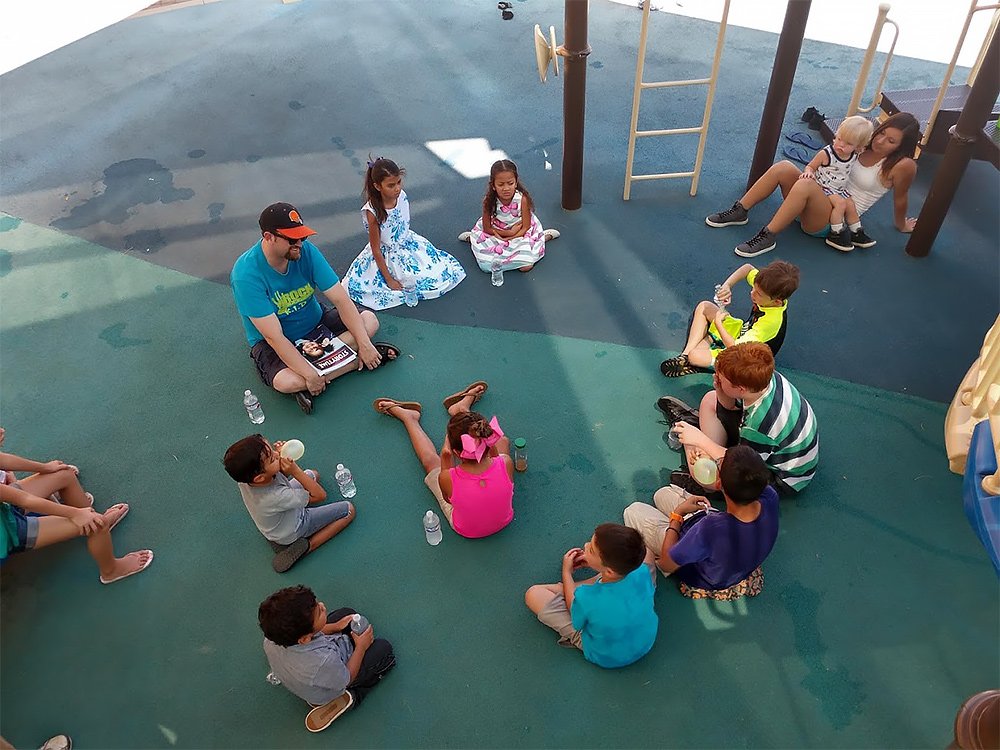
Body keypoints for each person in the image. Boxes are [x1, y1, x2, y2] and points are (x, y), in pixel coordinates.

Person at [230, 202, 398, 415]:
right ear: (268, 237)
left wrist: (364, 344)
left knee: (369, 321)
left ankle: (326, 373)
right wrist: (309, 375)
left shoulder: (306, 251)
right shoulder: (246, 274)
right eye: (292, 239)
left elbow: (341, 300)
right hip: (275, 342)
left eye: (303, 237)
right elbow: (274, 337)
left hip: (316, 323)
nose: (299, 244)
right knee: (286, 382)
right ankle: (352, 361)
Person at [705, 112, 922, 258]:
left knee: (806, 185)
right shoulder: (860, 144)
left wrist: (902, 224)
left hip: (833, 219)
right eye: (882, 133)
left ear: (902, 147)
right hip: (814, 200)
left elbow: (901, 197)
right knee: (784, 167)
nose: (881, 141)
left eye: (891, 141)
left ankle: (768, 236)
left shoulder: (902, 166)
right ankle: (740, 211)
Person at [660, 342, 819, 495]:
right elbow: (732, 406)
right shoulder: (762, 379)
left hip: (776, 479)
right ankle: (702, 444)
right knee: (711, 398)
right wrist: (722, 391)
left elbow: (743, 465)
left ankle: (708, 486)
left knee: (700, 467)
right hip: (766, 449)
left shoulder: (761, 423)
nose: (717, 378)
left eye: (722, 379)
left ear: (741, 389)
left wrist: (699, 440)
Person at [624, 445, 779, 599]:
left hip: (698, 571)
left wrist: (677, 515)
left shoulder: (711, 528)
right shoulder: (769, 495)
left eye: (718, 463)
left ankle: (670, 522)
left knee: (633, 511)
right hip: (727, 557)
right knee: (661, 494)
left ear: (718, 484)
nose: (716, 461)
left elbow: (666, 564)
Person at [0, 430, 153, 584]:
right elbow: (24, 499)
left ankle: (90, 521)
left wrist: (46, 468)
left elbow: (3, 460)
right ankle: (111, 571)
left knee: (64, 474)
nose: (1, 431)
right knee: (97, 523)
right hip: (7, 532)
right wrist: (75, 514)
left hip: (5, 506)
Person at [373, 381, 515, 538]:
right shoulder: (506, 463)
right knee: (503, 441)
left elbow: (449, 501)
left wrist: (445, 456)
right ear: (488, 438)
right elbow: (495, 458)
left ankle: (409, 418)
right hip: (504, 521)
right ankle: (460, 410)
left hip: (468, 531)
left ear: (455, 451)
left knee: (430, 462)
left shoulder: (448, 477)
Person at [258, 585, 395, 733]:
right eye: (319, 612)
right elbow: (347, 677)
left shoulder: (270, 640)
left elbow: (311, 635)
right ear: (305, 639)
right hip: (333, 679)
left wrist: (335, 626)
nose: (322, 606)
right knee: (383, 649)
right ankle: (353, 696)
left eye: (317, 604)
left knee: (347, 613)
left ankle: (330, 631)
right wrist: (361, 647)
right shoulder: (322, 662)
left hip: (305, 671)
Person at [524, 523, 658, 668]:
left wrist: (566, 573)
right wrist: (597, 564)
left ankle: (585, 583)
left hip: (606, 655)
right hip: (645, 640)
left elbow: (574, 614)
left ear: (610, 572)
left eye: (592, 550)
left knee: (533, 594)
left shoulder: (586, 598)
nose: (586, 545)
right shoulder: (642, 571)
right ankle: (599, 579)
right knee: (648, 553)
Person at [343, 157, 465, 310]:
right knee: (409, 281)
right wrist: (389, 280)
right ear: (377, 186)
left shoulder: (402, 196)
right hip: (387, 254)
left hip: (407, 243)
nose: (397, 189)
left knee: (437, 273)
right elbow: (376, 249)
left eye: (399, 182)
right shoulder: (372, 212)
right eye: (391, 185)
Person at [222, 434, 354, 573]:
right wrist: (295, 471)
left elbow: (277, 479)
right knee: (348, 510)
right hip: (295, 527)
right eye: (272, 458)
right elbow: (320, 496)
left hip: (277, 523)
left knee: (313, 474)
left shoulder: (244, 480)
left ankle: (281, 539)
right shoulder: (276, 496)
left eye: (272, 450)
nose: (277, 455)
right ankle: (307, 546)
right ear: (259, 477)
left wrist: (278, 457)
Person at [661, 260, 799, 376]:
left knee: (696, 356)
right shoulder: (767, 287)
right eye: (754, 288)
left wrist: (719, 325)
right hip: (743, 333)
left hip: (747, 359)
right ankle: (684, 357)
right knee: (705, 306)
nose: (752, 293)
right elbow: (747, 268)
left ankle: (698, 355)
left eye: (758, 294)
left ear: (777, 302)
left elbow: (735, 348)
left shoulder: (770, 322)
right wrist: (727, 286)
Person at [458, 158, 559, 273]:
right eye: (501, 184)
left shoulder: (522, 199)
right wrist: (508, 234)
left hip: (520, 232)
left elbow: (526, 227)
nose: (506, 188)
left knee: (526, 266)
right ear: (493, 185)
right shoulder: (489, 201)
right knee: (486, 265)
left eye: (510, 183)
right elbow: (487, 228)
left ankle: (543, 237)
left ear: (516, 182)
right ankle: (472, 238)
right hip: (496, 231)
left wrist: (511, 237)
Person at [799, 115, 876, 252]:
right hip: (822, 186)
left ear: (858, 147)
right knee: (841, 204)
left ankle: (856, 232)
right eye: (839, 139)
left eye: (848, 144)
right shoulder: (826, 154)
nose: (841, 145)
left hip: (838, 188)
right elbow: (811, 166)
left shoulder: (854, 154)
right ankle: (836, 233)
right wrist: (809, 173)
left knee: (850, 204)